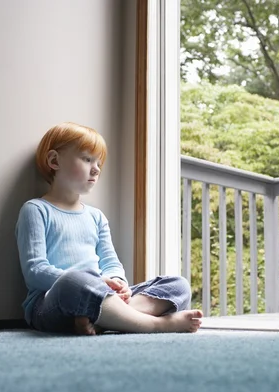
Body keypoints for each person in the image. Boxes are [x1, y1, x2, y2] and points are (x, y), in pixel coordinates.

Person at [15, 122, 203, 335]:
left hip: (103, 293)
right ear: (54, 160)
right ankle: (155, 325)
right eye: (87, 159)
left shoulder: (96, 217)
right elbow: (35, 271)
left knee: (178, 285)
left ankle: (102, 319)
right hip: (52, 303)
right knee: (74, 280)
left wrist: (118, 283)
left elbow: (110, 262)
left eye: (99, 163)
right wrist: (95, 281)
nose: (96, 168)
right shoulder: (36, 210)